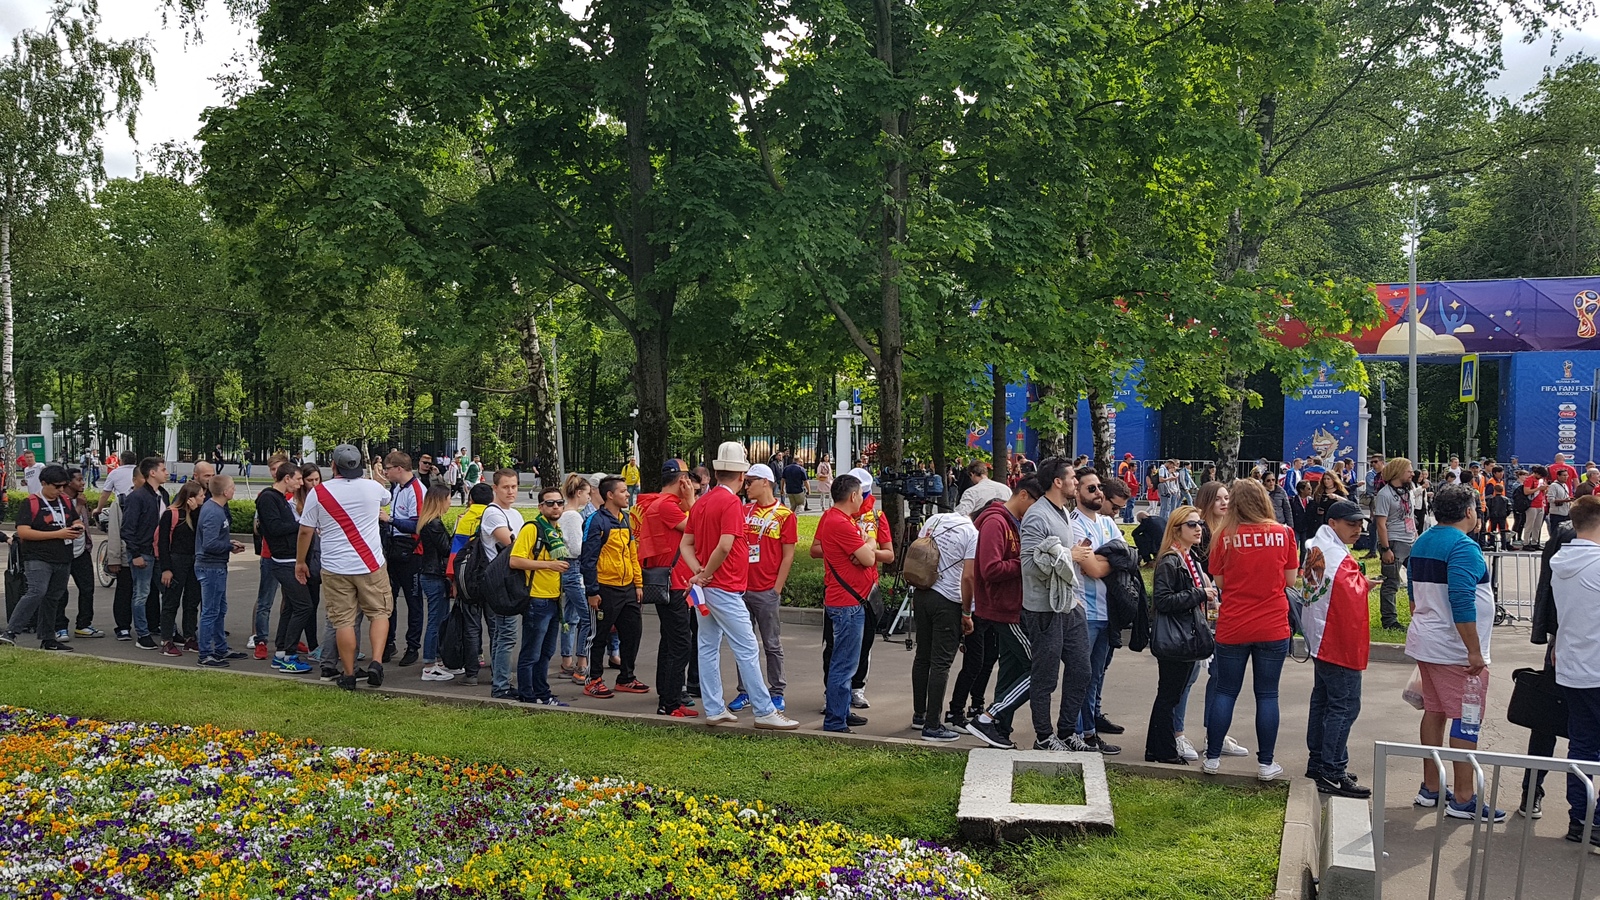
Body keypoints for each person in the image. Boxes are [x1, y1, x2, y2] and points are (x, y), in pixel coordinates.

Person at [970, 458, 1091, 752]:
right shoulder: (1036, 516)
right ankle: (1042, 736)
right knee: (1042, 675)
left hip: (1067, 603)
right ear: (1058, 482)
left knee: (1081, 669)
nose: (1078, 481)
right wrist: (1069, 556)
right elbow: (1029, 564)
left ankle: (1065, 732)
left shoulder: (1064, 510)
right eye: (1073, 477)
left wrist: (1069, 560)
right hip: (1041, 608)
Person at [681, 444, 799, 730]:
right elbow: (725, 545)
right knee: (746, 647)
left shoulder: (702, 502)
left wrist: (698, 571)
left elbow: (686, 543)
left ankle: (714, 708)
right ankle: (764, 710)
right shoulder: (732, 503)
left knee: (708, 646)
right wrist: (706, 572)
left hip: (707, 587)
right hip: (725, 585)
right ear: (742, 474)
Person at [1404, 483, 1504, 822]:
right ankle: (1463, 797)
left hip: (1428, 642)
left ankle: (1432, 787)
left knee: (1434, 711)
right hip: (1456, 650)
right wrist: (1474, 651)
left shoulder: (1424, 541)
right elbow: (1461, 599)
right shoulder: (1463, 547)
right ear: (1470, 512)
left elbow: (1413, 594)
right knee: (1466, 717)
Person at [1204, 478, 1297, 781]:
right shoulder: (1284, 534)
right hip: (1272, 624)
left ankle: (1213, 757)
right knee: (1267, 695)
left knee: (1225, 691)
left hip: (1233, 624)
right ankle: (1266, 764)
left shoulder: (1223, 536)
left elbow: (1220, 582)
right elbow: (1291, 581)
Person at [297, 444, 392, 690]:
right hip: (370, 563)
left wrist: (300, 562)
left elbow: (306, 530)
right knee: (379, 612)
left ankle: (348, 674)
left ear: (333, 466)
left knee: (343, 621)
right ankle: (377, 662)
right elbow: (386, 498)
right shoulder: (373, 488)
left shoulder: (319, 492)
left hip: (335, 566)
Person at [949, 479, 1039, 735]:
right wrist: (1027, 561)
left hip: (1008, 607)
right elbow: (988, 569)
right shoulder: (995, 522)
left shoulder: (1012, 522)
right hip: (997, 608)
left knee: (1001, 667)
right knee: (1038, 668)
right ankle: (983, 716)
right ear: (1023, 496)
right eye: (1035, 503)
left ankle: (994, 722)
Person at [1301, 500, 1374, 798]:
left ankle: (1318, 763)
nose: (1358, 529)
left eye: (1360, 524)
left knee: (1323, 702)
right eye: (1351, 523)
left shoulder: (1319, 546)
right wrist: (1363, 583)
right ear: (1333, 523)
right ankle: (1332, 769)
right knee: (1344, 705)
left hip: (1321, 638)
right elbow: (1345, 593)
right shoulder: (1336, 556)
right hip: (1337, 640)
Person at [816, 473, 887, 733]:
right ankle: (835, 720)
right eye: (861, 494)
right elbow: (868, 558)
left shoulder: (835, 519)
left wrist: (864, 546)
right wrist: (869, 539)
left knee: (846, 661)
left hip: (847, 601)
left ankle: (842, 711)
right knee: (844, 664)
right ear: (853, 495)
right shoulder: (841, 523)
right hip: (848, 604)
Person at [1146, 506, 1214, 763]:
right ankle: (1163, 751)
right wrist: (1199, 594)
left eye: (1199, 524)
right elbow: (1162, 600)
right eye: (1191, 525)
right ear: (1177, 529)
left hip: (1187, 636)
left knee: (1170, 694)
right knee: (1169, 696)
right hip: (1176, 638)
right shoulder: (1171, 560)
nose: (1198, 529)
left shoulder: (1189, 557)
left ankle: (1156, 748)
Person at [729, 463, 795, 713]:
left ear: (765, 482)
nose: (745, 486)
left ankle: (776, 691)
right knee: (743, 643)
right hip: (741, 588)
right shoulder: (744, 510)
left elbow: (788, 555)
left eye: (750, 482)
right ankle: (745, 691)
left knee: (771, 643)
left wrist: (776, 588)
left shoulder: (784, 515)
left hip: (766, 589)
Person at [634, 460, 698, 717]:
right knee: (680, 643)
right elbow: (697, 528)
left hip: (675, 583)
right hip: (674, 586)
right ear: (682, 480)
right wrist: (692, 499)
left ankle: (669, 697)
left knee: (671, 642)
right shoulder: (667, 507)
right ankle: (669, 702)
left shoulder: (661, 504)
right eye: (689, 479)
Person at [910, 508, 978, 742]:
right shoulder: (971, 533)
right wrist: (967, 613)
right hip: (948, 600)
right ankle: (932, 725)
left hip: (922, 592)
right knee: (941, 662)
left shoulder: (934, 519)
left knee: (922, 657)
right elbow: (968, 577)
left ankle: (919, 714)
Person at [1070, 467, 1124, 752]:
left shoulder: (1107, 522)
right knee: (1080, 675)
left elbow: (1126, 555)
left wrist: (1106, 561)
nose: (1098, 492)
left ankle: (1090, 733)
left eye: (1099, 487)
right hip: (1085, 612)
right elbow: (1090, 568)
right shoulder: (1074, 523)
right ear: (1076, 491)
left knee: (1095, 677)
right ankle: (1074, 733)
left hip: (1108, 611)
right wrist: (1109, 560)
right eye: (1091, 488)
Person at [1, 465, 82, 650]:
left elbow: (75, 519)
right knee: (36, 591)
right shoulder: (30, 503)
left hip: (63, 557)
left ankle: (48, 638)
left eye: (63, 486)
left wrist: (78, 527)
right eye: (57, 486)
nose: (61, 490)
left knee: (54, 597)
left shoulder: (65, 502)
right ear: (44, 483)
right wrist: (58, 534)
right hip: (38, 557)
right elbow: (23, 532)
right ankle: (11, 632)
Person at [581, 475, 648, 698]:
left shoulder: (625, 519)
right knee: (598, 636)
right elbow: (588, 559)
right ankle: (593, 680)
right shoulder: (596, 521)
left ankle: (626, 677)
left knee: (632, 633)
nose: (627, 494)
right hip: (605, 588)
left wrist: (638, 584)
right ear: (610, 495)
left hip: (628, 588)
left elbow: (632, 554)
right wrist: (592, 591)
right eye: (622, 491)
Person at [507, 485, 571, 705]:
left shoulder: (556, 531)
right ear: (540, 506)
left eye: (559, 503)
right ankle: (528, 695)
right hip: (536, 599)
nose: (555, 507)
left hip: (554, 599)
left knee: (546, 653)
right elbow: (515, 560)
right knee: (531, 654)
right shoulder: (532, 529)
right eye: (550, 503)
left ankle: (543, 693)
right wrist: (548, 565)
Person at [256, 462, 315, 674]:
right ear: (286, 478)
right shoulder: (268, 498)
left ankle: (282, 652)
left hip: (289, 558)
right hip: (283, 561)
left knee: (291, 607)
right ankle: (289, 654)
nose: (300, 484)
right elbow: (273, 528)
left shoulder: (280, 499)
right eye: (298, 479)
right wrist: (303, 525)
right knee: (304, 606)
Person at [481, 468, 529, 699]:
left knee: (502, 634)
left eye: (514, 486)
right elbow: (511, 543)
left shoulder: (515, 514)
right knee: (506, 635)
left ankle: (501, 681)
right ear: (495, 488)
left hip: (512, 581)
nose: (511, 491)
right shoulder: (493, 513)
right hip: (501, 583)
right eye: (506, 487)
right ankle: (501, 685)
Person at [194, 475, 249, 667]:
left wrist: (228, 544)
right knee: (210, 611)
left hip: (216, 566)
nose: (234, 490)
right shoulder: (213, 512)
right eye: (233, 487)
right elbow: (209, 544)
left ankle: (220, 647)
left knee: (219, 609)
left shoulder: (215, 509)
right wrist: (228, 546)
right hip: (211, 567)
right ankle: (205, 653)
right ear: (225, 492)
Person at [120, 456, 169, 651]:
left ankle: (167, 628)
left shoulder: (162, 494)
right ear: (152, 473)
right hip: (144, 552)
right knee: (141, 593)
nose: (166, 473)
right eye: (163, 469)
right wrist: (136, 553)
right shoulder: (137, 497)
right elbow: (128, 529)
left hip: (159, 552)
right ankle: (142, 633)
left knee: (167, 591)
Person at [155, 482, 206, 656]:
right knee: (171, 601)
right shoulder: (171, 514)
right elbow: (162, 543)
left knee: (192, 601)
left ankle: (190, 636)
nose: (203, 498)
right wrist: (166, 568)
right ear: (190, 497)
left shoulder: (198, 513)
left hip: (194, 561)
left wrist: (197, 511)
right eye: (200, 496)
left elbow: (202, 533)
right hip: (176, 560)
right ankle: (167, 640)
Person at [412, 486, 456, 682]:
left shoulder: (428, 522)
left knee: (439, 619)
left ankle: (436, 660)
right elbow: (447, 549)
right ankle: (430, 664)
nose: (450, 503)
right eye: (448, 499)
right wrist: (457, 530)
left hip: (431, 574)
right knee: (435, 621)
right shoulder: (434, 524)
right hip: (434, 575)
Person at [55, 468, 100, 641]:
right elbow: (69, 523)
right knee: (60, 592)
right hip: (63, 552)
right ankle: (60, 626)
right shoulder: (60, 501)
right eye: (79, 480)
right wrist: (79, 506)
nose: (82, 483)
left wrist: (83, 506)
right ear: (68, 482)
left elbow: (85, 522)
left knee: (87, 588)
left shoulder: (79, 499)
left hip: (81, 551)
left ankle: (84, 624)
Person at [558, 473, 594, 685]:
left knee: (570, 618)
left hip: (567, 569)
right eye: (587, 493)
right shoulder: (573, 516)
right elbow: (576, 547)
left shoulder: (565, 514)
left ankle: (566, 660)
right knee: (587, 619)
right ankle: (582, 664)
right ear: (579, 493)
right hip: (574, 569)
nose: (589, 498)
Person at [1373, 457, 1417, 631]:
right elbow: (1380, 523)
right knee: (1391, 582)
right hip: (1394, 541)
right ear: (1398, 472)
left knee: (1417, 580)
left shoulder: (1408, 491)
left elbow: (1410, 516)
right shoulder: (1385, 494)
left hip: (1410, 540)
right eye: (1409, 471)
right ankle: (1389, 621)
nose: (1412, 474)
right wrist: (1386, 548)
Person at [1522, 465, 1550, 549]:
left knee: (1537, 526)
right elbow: (1526, 492)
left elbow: (1543, 492)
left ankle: (1535, 542)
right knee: (1529, 525)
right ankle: (1526, 542)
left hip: (1540, 504)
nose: (1541, 477)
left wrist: (1544, 489)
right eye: (1540, 475)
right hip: (1532, 505)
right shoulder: (1529, 479)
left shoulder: (1541, 480)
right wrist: (1538, 489)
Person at [1547, 467, 1574, 536]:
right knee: (1555, 532)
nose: (1566, 477)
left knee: (1564, 532)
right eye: (1564, 475)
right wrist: (1564, 500)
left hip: (1565, 512)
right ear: (1558, 476)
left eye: (1567, 475)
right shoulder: (1553, 486)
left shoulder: (1565, 485)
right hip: (1556, 513)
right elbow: (1550, 499)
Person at [1116, 454, 1140, 524]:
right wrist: (1136, 486)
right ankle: (1130, 518)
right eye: (1135, 467)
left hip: (1131, 491)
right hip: (1131, 491)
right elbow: (1128, 482)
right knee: (1130, 505)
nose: (1136, 468)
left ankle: (1126, 518)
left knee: (1129, 505)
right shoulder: (1127, 470)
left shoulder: (1127, 469)